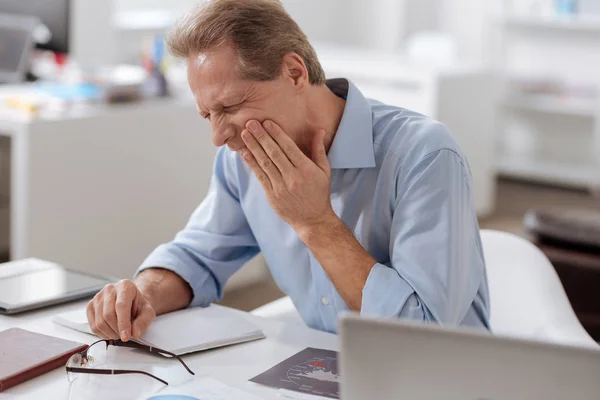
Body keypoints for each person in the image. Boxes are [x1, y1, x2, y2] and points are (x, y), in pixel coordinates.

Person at [86, 0, 490, 341]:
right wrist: (141, 294)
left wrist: (316, 223)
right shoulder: (241, 157)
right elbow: (197, 256)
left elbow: (424, 337)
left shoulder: (424, 155)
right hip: (323, 371)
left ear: (295, 73)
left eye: (229, 107)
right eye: (207, 114)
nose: (218, 136)